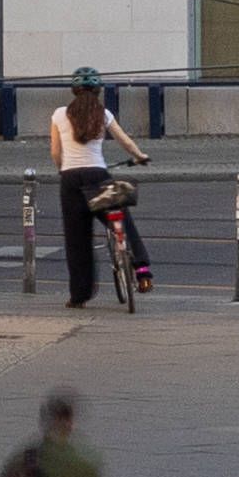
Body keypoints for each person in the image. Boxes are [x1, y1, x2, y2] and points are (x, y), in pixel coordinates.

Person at [48, 73, 149, 309]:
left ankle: (79, 296)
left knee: (77, 239)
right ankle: (143, 271)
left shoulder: (60, 114)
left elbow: (55, 151)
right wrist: (139, 156)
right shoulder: (103, 114)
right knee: (122, 221)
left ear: (74, 92)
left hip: (70, 179)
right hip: (98, 177)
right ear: (98, 92)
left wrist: (63, 169)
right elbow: (125, 141)